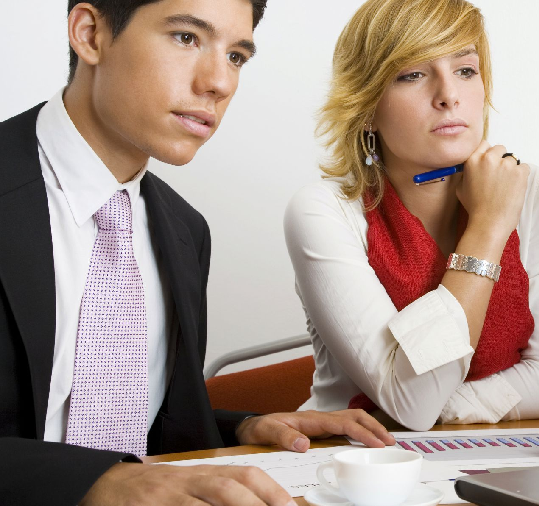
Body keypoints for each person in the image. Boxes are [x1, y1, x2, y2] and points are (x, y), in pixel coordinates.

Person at [0, 1, 393, 505]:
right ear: (91, 34)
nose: (219, 83)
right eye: (186, 37)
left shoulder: (185, 230)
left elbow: (132, 428)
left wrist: (242, 427)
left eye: (236, 57)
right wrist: (96, 480)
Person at [284, 0, 539, 432]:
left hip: (489, 451)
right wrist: (488, 227)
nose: (449, 95)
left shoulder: (528, 187)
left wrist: (444, 408)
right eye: (413, 75)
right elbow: (413, 401)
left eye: (465, 70)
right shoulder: (323, 210)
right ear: (365, 108)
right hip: (350, 457)